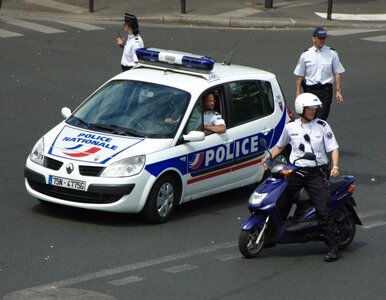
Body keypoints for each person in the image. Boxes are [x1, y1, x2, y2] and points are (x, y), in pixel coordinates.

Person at [264, 93, 341, 262]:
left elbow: (333, 148)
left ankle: (334, 245)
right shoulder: (291, 127)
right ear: (301, 109)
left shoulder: (322, 126)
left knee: (323, 208)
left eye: (314, 109)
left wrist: (334, 166)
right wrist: (267, 159)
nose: (313, 111)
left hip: (316, 173)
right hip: (296, 171)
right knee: (281, 201)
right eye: (310, 109)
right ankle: (273, 235)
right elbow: (279, 146)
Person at [294, 27, 345, 121]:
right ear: (314, 38)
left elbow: (337, 73)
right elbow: (299, 76)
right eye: (320, 38)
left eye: (324, 38)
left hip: (325, 91)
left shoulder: (332, 53)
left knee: (320, 119)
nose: (322, 40)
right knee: (309, 117)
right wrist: (298, 94)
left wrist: (338, 90)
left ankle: (319, 135)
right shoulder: (305, 54)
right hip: (310, 90)